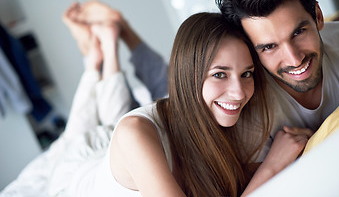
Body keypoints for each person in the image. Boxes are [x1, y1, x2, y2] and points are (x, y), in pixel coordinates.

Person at [2, 12, 308, 197]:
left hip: (118, 149)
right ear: (188, 75)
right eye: (219, 74)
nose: (239, 92)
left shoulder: (223, 119)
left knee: (116, 118)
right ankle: (97, 56)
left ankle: (105, 48)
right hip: (70, 179)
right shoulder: (137, 133)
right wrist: (271, 167)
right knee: (80, 135)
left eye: (247, 74)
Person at [215, 0, 339, 155]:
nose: (294, 59)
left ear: (318, 16)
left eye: (298, 33)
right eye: (269, 47)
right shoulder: (248, 109)